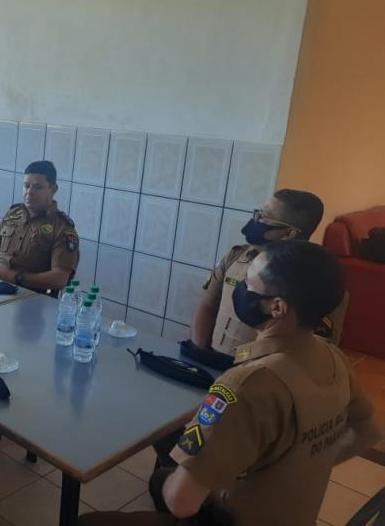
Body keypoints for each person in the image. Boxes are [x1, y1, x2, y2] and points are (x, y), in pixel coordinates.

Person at [79, 241, 380, 526]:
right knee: (162, 475)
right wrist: (300, 467)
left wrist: (210, 485)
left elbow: (180, 501)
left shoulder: (248, 383)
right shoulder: (334, 357)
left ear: (277, 307)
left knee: (88, 521)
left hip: (231, 519)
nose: (240, 290)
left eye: (249, 284)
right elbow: (368, 433)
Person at [191, 189, 347, 355]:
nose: (256, 220)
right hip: (211, 357)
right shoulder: (235, 256)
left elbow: (318, 345)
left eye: (264, 217)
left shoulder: (319, 281)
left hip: (261, 367)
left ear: (290, 233)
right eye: (258, 213)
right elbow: (207, 306)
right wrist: (198, 352)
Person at [0, 160, 79, 294]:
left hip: (33, 299)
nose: (30, 192)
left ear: (53, 190)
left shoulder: (62, 228)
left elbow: (60, 279)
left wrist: (15, 277)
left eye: (38, 187)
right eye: (26, 186)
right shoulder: (14, 214)